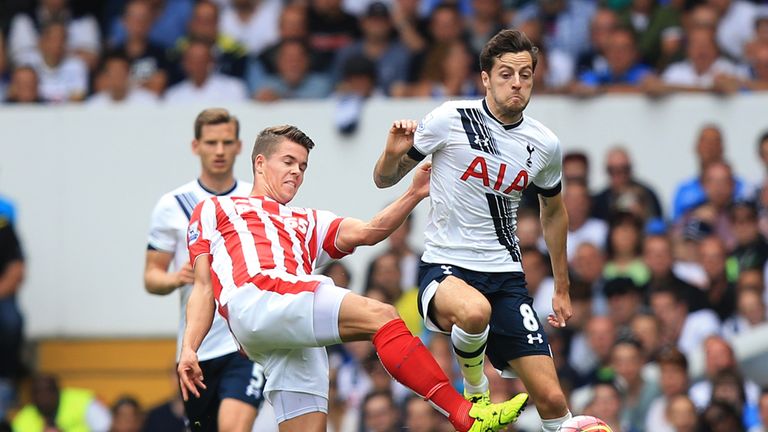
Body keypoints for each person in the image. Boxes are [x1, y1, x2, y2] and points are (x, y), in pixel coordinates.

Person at [178, 124, 529, 432]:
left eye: (303, 166)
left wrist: (414, 193)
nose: (297, 172)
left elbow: (369, 231)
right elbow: (203, 287)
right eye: (288, 161)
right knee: (382, 316)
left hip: (285, 329)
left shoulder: (307, 220)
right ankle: (464, 414)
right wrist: (189, 348)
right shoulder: (216, 208)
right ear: (259, 163)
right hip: (260, 297)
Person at [373, 29, 573, 431]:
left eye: (526, 75)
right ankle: (477, 392)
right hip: (446, 267)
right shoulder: (450, 119)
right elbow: (384, 179)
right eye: (506, 74)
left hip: (506, 276)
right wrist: (391, 153)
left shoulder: (545, 144)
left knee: (553, 399)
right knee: (474, 311)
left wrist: (562, 287)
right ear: (485, 78)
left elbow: (553, 212)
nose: (516, 83)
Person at [144, 108, 265, 432]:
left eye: (227, 142)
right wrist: (176, 277)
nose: (220, 151)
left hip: (246, 342)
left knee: (234, 427)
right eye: (211, 143)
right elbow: (151, 276)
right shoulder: (173, 204)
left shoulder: (256, 199)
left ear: (240, 146)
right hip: (197, 348)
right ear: (196, 146)